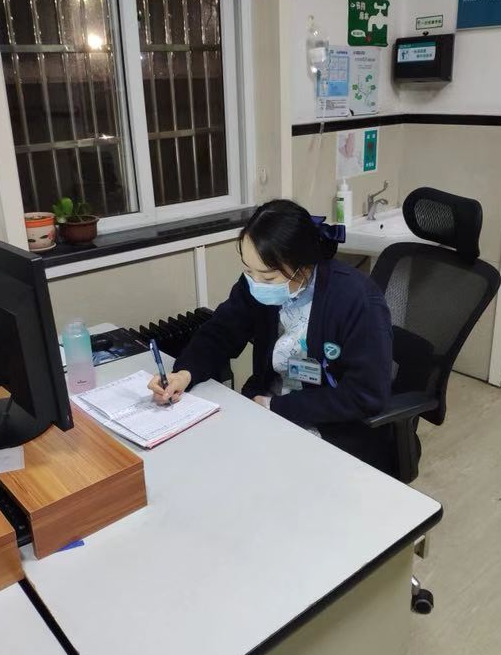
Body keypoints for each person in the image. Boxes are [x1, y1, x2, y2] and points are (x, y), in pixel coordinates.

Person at [148, 199, 395, 474]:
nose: (255, 283)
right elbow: (221, 331)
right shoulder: (257, 284)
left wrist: (275, 406)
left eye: (267, 278)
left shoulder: (356, 299)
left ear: (303, 266)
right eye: (248, 271)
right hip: (264, 410)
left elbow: (366, 394)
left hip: (330, 430)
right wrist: (184, 374)